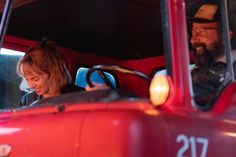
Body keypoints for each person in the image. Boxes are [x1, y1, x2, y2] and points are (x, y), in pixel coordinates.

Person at [188, 0, 234, 108]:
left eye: (202, 31)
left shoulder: (226, 72)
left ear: (226, 36)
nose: (193, 40)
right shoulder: (198, 71)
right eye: (194, 32)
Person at [17, 38, 85, 106]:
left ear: (53, 73)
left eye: (35, 79)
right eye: (27, 79)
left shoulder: (80, 97)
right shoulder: (26, 101)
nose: (31, 85)